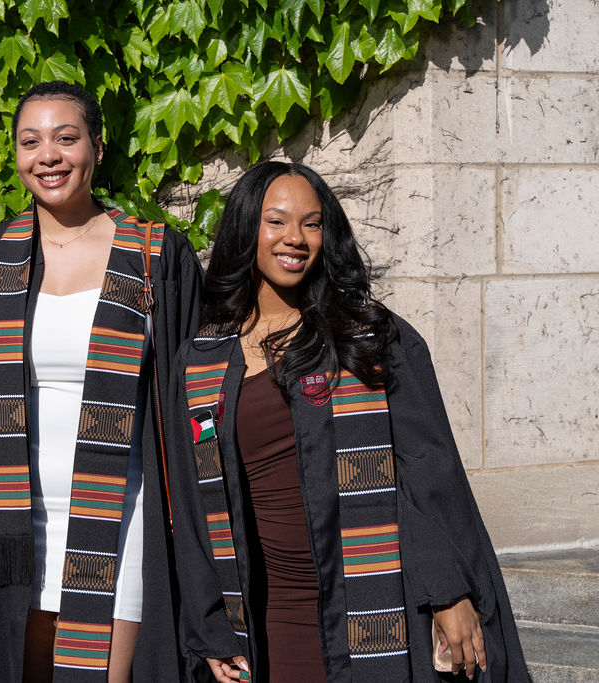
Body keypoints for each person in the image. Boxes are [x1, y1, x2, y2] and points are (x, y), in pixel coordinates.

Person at [169, 161, 530, 682]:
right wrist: (209, 629)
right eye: (277, 221)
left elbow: (427, 473)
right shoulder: (201, 359)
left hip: (369, 599)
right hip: (263, 615)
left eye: (312, 224)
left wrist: (447, 588)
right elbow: (192, 502)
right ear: (247, 229)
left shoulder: (369, 341)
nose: (295, 238)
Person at [0, 81, 203, 682]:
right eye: (30, 141)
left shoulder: (152, 254)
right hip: (17, 517)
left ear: (96, 145)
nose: (48, 156)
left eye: (66, 138)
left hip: (115, 510)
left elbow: (187, 391)